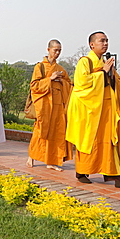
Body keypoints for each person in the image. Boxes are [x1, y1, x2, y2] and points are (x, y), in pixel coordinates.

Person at [66, 31, 120, 188]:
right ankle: (82, 172)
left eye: (107, 41)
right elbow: (81, 85)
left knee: (110, 142)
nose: (105, 43)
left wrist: (111, 74)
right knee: (89, 142)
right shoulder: (85, 62)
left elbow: (116, 83)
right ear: (92, 44)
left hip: (106, 110)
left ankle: (117, 177)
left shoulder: (104, 62)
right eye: (102, 41)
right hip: (90, 112)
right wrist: (103, 73)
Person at [27, 40, 73, 171]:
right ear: (48, 50)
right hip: (45, 105)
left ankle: (51, 161)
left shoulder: (60, 69)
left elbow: (69, 85)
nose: (57, 53)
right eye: (55, 50)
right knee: (41, 131)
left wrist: (61, 81)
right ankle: (32, 155)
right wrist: (50, 79)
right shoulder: (40, 67)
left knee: (56, 133)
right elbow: (34, 86)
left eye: (59, 50)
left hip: (58, 106)